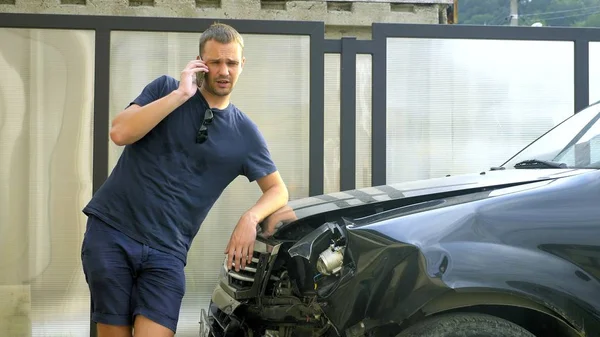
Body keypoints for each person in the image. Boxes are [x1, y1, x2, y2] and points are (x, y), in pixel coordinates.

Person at [80, 23, 289, 337]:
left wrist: (250, 218)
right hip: (113, 233)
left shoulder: (244, 133)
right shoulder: (166, 88)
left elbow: (277, 189)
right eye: (215, 62)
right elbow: (119, 132)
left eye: (231, 63)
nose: (223, 70)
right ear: (199, 62)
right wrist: (181, 94)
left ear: (242, 65)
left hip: (167, 253)